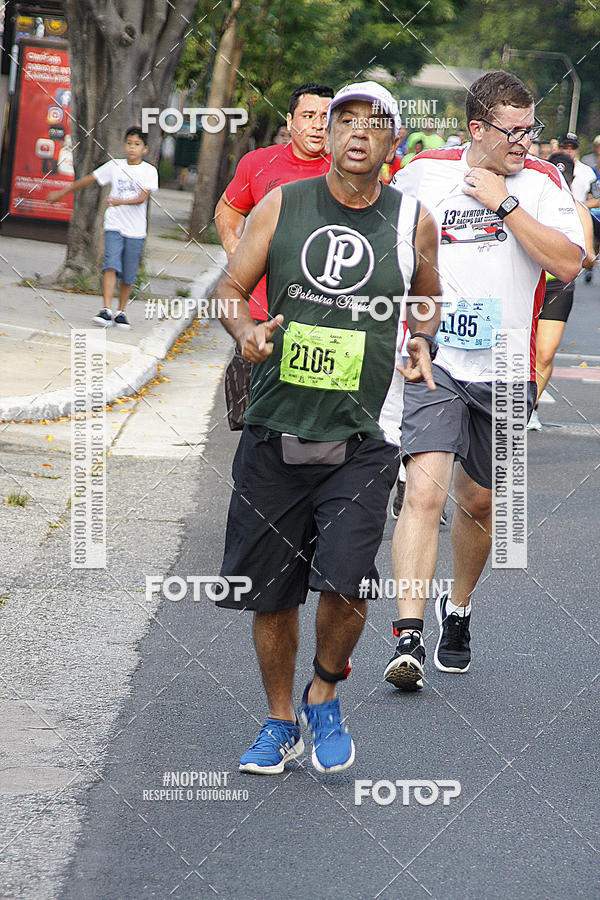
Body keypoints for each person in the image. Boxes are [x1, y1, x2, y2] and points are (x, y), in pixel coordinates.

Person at [214, 81, 441, 773]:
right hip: (275, 423)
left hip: (365, 434)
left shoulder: (414, 222)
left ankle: (324, 692)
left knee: (346, 581)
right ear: (328, 133)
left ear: (392, 142)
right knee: (272, 593)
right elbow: (228, 287)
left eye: (374, 124)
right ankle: (280, 721)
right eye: (344, 120)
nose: (356, 132)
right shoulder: (283, 204)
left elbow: (428, 301)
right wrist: (247, 330)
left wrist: (421, 339)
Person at [385, 70, 584, 690]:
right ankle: (408, 636)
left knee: (480, 502)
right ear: (477, 128)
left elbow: (569, 263)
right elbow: (392, 255)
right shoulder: (422, 173)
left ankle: (459, 607)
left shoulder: (544, 182)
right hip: (436, 358)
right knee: (424, 493)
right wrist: (405, 334)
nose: (527, 140)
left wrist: (503, 202)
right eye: (514, 130)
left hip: (506, 366)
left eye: (532, 129)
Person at [215, 83, 333, 429]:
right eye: (308, 116)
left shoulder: (348, 170)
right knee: (252, 422)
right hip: (260, 316)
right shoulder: (259, 162)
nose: (317, 125)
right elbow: (228, 208)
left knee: (310, 428)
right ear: (290, 120)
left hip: (321, 320)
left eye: (326, 117)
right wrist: (234, 246)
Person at [48, 126, 158, 329]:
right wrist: (62, 192)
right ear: (124, 145)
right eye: (129, 143)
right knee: (111, 264)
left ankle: (122, 312)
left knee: (128, 273)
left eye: (137, 144)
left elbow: (143, 197)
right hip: (114, 225)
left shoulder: (149, 171)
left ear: (145, 149)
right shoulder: (115, 166)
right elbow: (90, 179)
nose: (132, 148)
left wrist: (119, 201)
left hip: (136, 230)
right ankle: (107, 310)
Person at [529, 152, 596, 430]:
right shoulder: (529, 202)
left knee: (545, 352)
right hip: (528, 283)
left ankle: (530, 408)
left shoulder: (578, 211)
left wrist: (575, 255)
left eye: (564, 180)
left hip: (557, 285)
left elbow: (589, 256)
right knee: (518, 350)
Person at [558, 132, 597, 204]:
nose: (569, 151)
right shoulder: (553, 168)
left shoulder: (587, 171)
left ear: (578, 150)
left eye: (573, 148)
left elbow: (595, 199)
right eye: (565, 147)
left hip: (579, 210)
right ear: (559, 149)